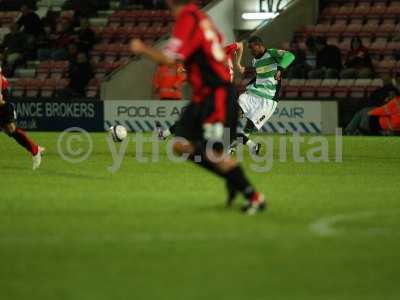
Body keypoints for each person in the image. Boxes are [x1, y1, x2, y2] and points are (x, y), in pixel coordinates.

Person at [130, 0, 265, 214]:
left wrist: (141, 49)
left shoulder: (187, 18)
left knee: (214, 153)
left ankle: (253, 196)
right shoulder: (203, 19)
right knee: (180, 145)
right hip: (203, 96)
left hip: (216, 95)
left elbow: (168, 59)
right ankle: (233, 179)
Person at [156, 41, 243, 138]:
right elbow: (239, 45)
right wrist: (238, 64)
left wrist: (238, 63)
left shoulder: (219, 53)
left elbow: (240, 45)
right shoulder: (218, 56)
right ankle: (164, 134)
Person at [229, 36, 295, 154]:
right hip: (252, 95)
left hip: (268, 100)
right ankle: (236, 144)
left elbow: (290, 56)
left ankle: (238, 147)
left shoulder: (272, 53)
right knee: (231, 115)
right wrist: (246, 72)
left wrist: (280, 69)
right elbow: (260, 75)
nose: (250, 51)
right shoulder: (255, 61)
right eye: (249, 48)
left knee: (249, 127)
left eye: (252, 48)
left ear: (259, 46)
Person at [0, 69, 45, 170]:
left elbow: (0, 101)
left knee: (11, 130)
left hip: (4, 107)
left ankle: (35, 150)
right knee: (10, 131)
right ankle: (35, 148)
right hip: (3, 106)